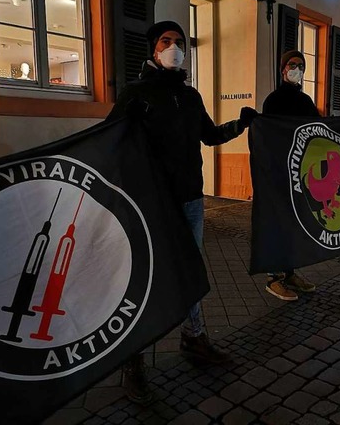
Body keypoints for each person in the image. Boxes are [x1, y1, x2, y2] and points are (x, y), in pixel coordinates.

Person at [107, 20, 258, 403]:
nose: (174, 46)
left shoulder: (190, 97)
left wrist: (240, 124)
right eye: (166, 41)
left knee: (190, 272)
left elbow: (209, 136)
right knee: (146, 278)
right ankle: (133, 359)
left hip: (192, 201)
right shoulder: (136, 94)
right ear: (153, 48)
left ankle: (194, 339)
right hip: (153, 203)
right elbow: (111, 141)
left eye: (180, 42)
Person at [261, 50, 318, 300]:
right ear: (283, 69)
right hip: (279, 172)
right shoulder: (273, 100)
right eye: (292, 64)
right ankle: (274, 278)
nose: (297, 68)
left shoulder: (305, 100)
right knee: (278, 225)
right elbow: (270, 135)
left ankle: (290, 272)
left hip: (300, 174)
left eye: (301, 65)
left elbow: (319, 128)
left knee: (295, 226)